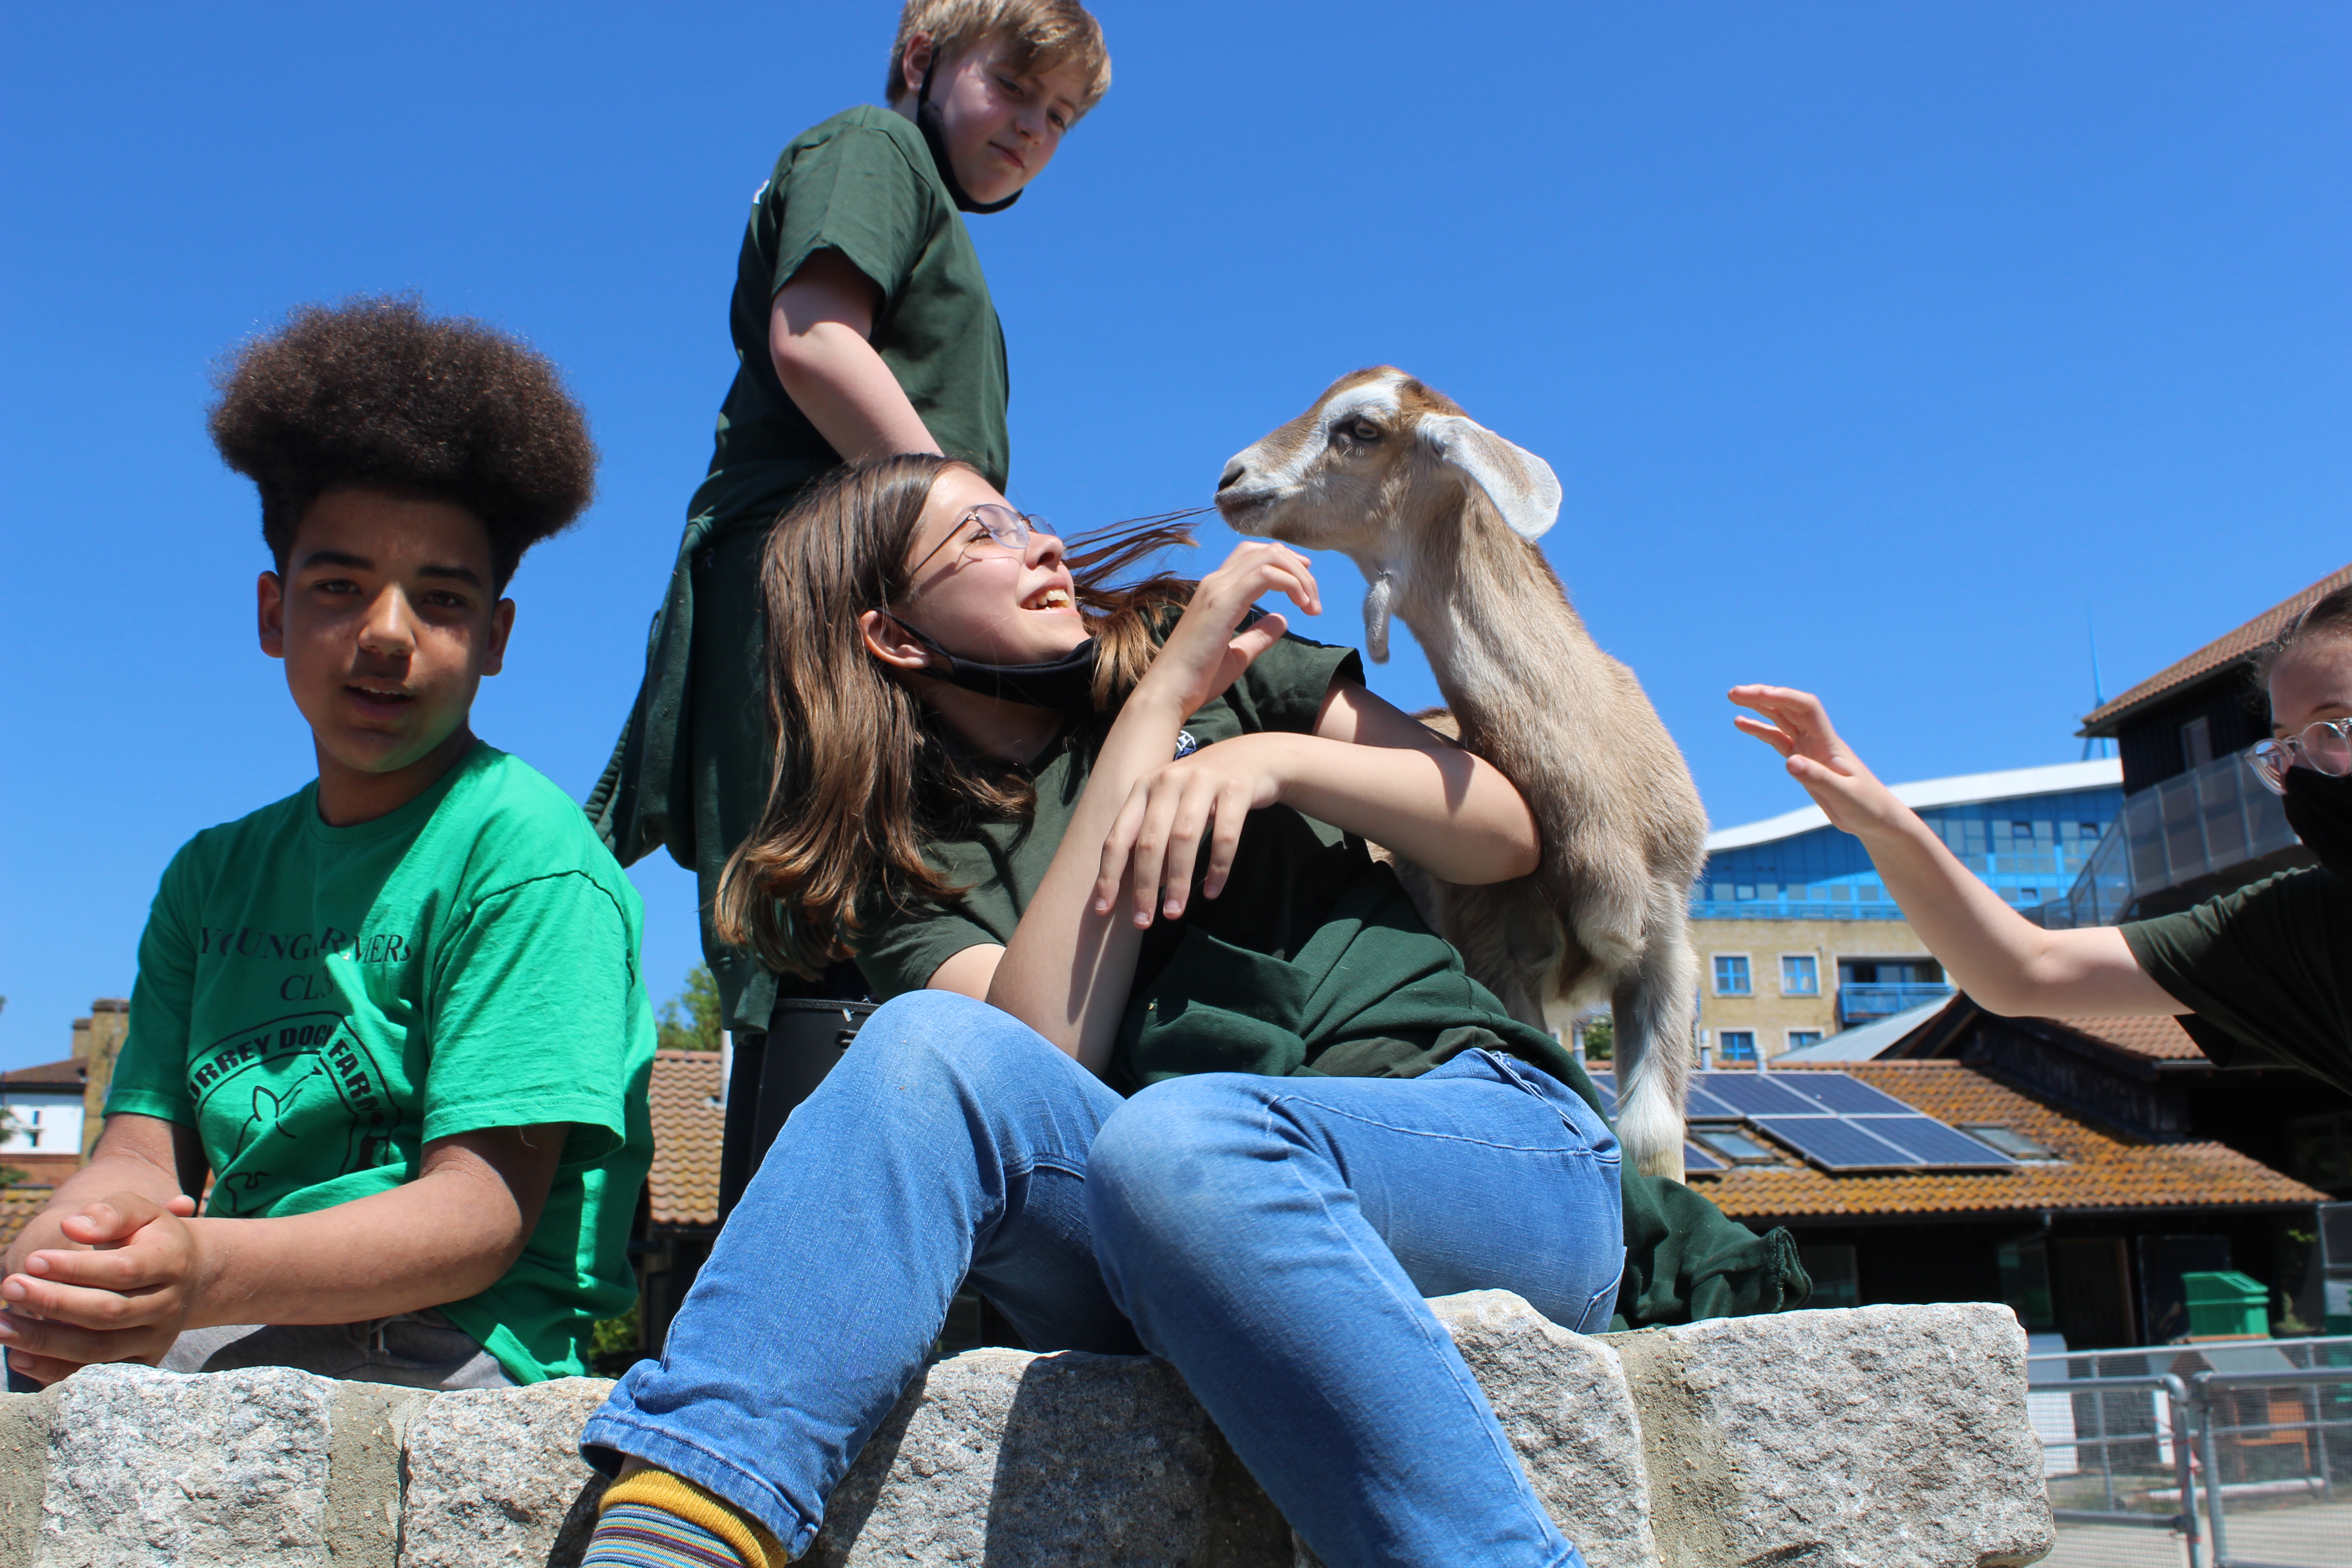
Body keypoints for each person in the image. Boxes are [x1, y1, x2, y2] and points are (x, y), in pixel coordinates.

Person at [575, 456, 1803, 1568]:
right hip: (1169, 1226)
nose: (1041, 545)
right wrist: (1156, 718)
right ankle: (682, 1525)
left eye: (1022, 517)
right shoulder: (912, 871)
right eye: (981, 538)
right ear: (893, 639)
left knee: (1182, 1142)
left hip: (1489, 1147)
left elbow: (1501, 833)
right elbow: (1032, 1050)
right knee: (934, 1052)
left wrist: (1266, 757)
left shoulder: (1212, 651)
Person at [0, 298, 657, 1391]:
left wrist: (200, 1270)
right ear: (273, 614)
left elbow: (476, 1218)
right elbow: (138, 1149)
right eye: (340, 587)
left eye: (441, 599)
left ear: (494, 638)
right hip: (233, 1312)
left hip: (455, 1337)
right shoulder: (210, 878)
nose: (387, 634)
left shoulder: (527, 857)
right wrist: (66, 1258)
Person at [587, 0, 1113, 1045]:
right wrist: (982, 528)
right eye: (1011, 85)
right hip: (816, 583)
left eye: (1059, 116)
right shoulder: (873, 146)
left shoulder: (952, 241)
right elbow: (818, 341)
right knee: (816, 920)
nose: (1031, 129)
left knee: (900, 900)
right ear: (922, 57)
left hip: (890, 593)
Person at [1729, 581, 2352, 1090]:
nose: (2300, 769)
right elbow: (2024, 971)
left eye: (2332, 729)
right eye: (2285, 746)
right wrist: (1882, 824)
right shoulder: (2305, 927)